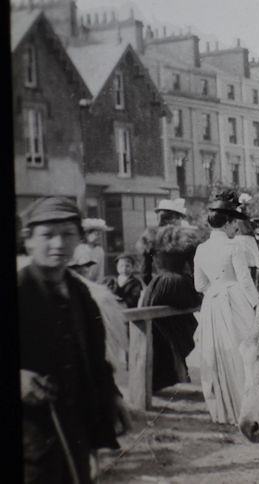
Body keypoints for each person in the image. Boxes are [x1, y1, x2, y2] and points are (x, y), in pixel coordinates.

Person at [18, 197, 131, 484]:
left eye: (68, 234)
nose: (58, 244)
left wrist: (113, 395)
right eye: (47, 235)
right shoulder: (20, 291)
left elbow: (95, 357)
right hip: (29, 437)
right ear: (29, 241)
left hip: (75, 427)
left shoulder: (81, 294)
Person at [194, 195, 259, 424]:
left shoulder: (201, 249)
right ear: (228, 223)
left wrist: (215, 290)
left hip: (212, 302)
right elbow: (245, 280)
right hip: (234, 300)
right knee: (243, 349)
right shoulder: (234, 246)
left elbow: (199, 285)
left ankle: (223, 408)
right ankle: (246, 406)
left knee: (218, 352)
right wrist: (257, 304)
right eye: (234, 224)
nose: (236, 228)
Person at [136, 198, 203, 392]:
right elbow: (194, 268)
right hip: (181, 286)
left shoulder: (150, 236)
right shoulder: (186, 236)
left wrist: (151, 288)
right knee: (182, 326)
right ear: (177, 217)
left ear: (160, 216)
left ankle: (163, 377)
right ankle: (180, 371)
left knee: (157, 329)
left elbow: (144, 272)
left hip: (159, 287)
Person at [73, 218, 112, 283]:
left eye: (100, 234)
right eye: (96, 234)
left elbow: (100, 272)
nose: (99, 236)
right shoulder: (78, 249)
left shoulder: (100, 251)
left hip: (94, 284)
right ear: (87, 235)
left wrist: (97, 285)